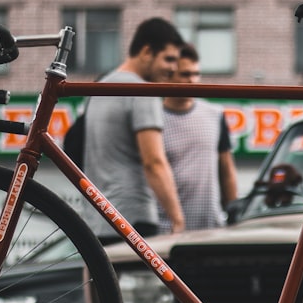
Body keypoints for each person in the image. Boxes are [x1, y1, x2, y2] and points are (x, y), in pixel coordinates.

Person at [83, 17, 186, 243]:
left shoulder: (99, 89)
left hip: (97, 220)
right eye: (169, 59)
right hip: (132, 218)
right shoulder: (141, 91)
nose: (173, 69)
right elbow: (154, 162)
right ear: (147, 51)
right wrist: (178, 220)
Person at [157, 44, 239, 232]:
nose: (193, 80)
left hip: (211, 226)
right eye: (185, 75)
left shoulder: (214, 114)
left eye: (196, 74)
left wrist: (234, 211)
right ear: (169, 76)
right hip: (166, 229)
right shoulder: (152, 119)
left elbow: (226, 168)